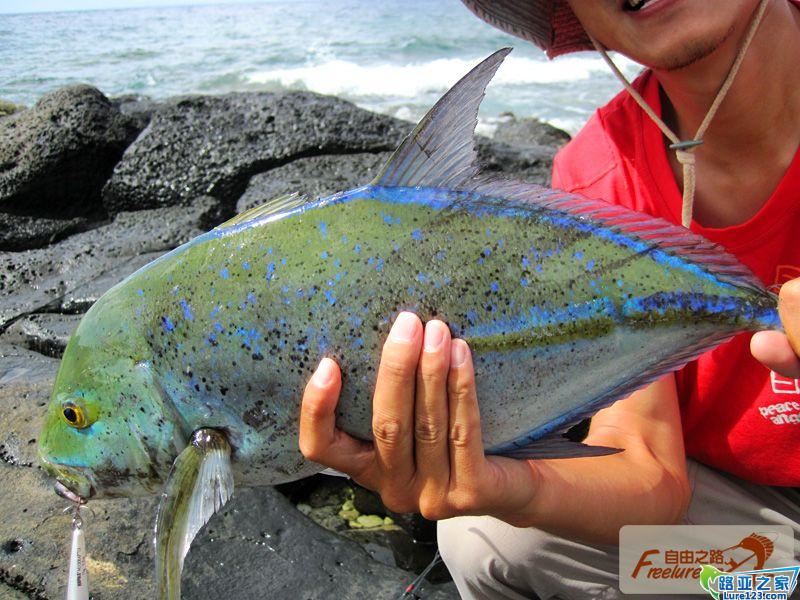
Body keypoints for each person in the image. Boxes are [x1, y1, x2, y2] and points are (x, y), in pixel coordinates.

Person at [298, 0, 800, 597]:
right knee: (488, 537)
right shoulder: (598, 176)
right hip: (752, 520)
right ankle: (771, 582)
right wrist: (510, 488)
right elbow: (651, 469)